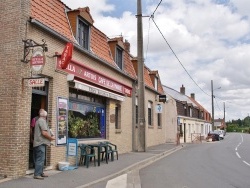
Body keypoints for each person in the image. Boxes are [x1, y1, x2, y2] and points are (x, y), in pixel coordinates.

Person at [33, 109, 55, 180]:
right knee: (40, 159)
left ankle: (40, 173)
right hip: (40, 143)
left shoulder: (39, 120)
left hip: (40, 143)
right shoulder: (42, 121)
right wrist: (51, 138)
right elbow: (44, 133)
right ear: (45, 115)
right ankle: (37, 174)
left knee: (41, 159)